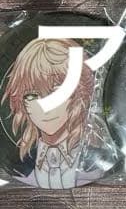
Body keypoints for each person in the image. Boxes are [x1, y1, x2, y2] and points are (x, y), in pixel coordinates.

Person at [1, 38, 105, 189]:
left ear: (80, 91)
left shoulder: (98, 161)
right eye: (32, 95)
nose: (45, 106)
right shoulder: (20, 167)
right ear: (21, 102)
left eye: (57, 91)